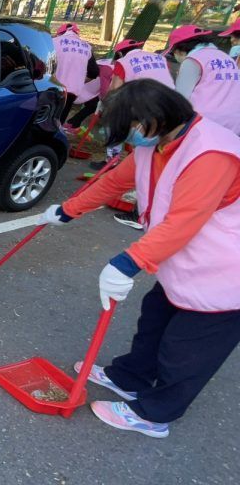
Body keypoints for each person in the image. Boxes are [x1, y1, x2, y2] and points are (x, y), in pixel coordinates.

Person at [38, 79, 240, 438]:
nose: (128, 140)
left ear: (152, 118)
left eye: (127, 129)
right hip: (185, 262)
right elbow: (114, 182)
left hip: (225, 273)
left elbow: (184, 220)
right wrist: (69, 210)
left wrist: (128, 262)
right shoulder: (158, 141)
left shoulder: (210, 154)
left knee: (188, 350)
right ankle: (129, 376)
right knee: (154, 322)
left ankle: (154, 413)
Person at [105, 39, 174, 230]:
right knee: (152, 157)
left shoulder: (124, 62)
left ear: (119, 53)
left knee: (147, 161)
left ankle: (139, 213)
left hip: (145, 110)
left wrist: (108, 109)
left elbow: (115, 91)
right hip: (170, 108)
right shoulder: (159, 59)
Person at [165, 24, 240, 135]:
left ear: (180, 49)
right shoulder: (225, 57)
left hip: (205, 124)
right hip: (234, 122)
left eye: (174, 52)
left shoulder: (192, 60)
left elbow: (180, 99)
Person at [52, 22, 102, 131]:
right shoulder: (87, 47)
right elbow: (94, 72)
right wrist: (78, 78)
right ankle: (53, 138)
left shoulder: (54, 42)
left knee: (43, 116)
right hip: (72, 91)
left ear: (60, 33)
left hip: (51, 85)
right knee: (59, 118)